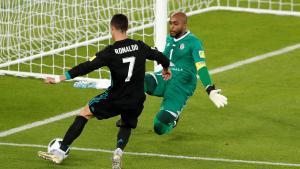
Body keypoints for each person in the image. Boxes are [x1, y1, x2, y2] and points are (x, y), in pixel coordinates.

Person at [37, 13, 171, 169]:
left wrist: (59, 78)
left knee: (85, 113)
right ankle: (118, 152)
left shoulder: (110, 51)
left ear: (112, 28)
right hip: (136, 98)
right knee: (126, 124)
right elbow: (160, 56)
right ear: (126, 28)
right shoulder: (139, 46)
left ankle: (60, 152)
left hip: (116, 97)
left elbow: (86, 66)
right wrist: (166, 68)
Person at [144, 12, 228, 135]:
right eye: (170, 23)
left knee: (159, 126)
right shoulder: (168, 38)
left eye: (176, 24)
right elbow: (164, 58)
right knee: (138, 82)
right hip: (165, 77)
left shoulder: (194, 42)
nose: (172, 26)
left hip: (182, 85)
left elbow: (201, 67)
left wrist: (210, 89)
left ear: (184, 25)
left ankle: (173, 120)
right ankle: (127, 117)